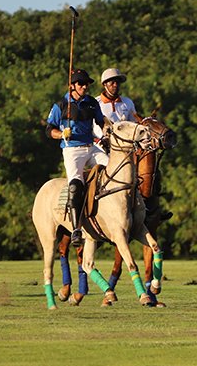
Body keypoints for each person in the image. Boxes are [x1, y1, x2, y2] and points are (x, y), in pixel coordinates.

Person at [46, 69, 108, 245]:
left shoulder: (91, 103)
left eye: (87, 83)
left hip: (91, 148)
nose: (85, 87)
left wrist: (106, 134)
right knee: (75, 185)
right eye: (81, 83)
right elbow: (49, 130)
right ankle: (76, 229)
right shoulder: (61, 105)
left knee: (112, 168)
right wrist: (62, 134)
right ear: (72, 85)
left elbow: (101, 122)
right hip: (72, 150)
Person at [91, 66, 139, 163]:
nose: (115, 85)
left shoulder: (127, 102)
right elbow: (88, 127)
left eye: (117, 82)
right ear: (105, 84)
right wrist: (97, 140)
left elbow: (134, 125)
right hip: (100, 149)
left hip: (124, 148)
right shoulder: (95, 103)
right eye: (112, 82)